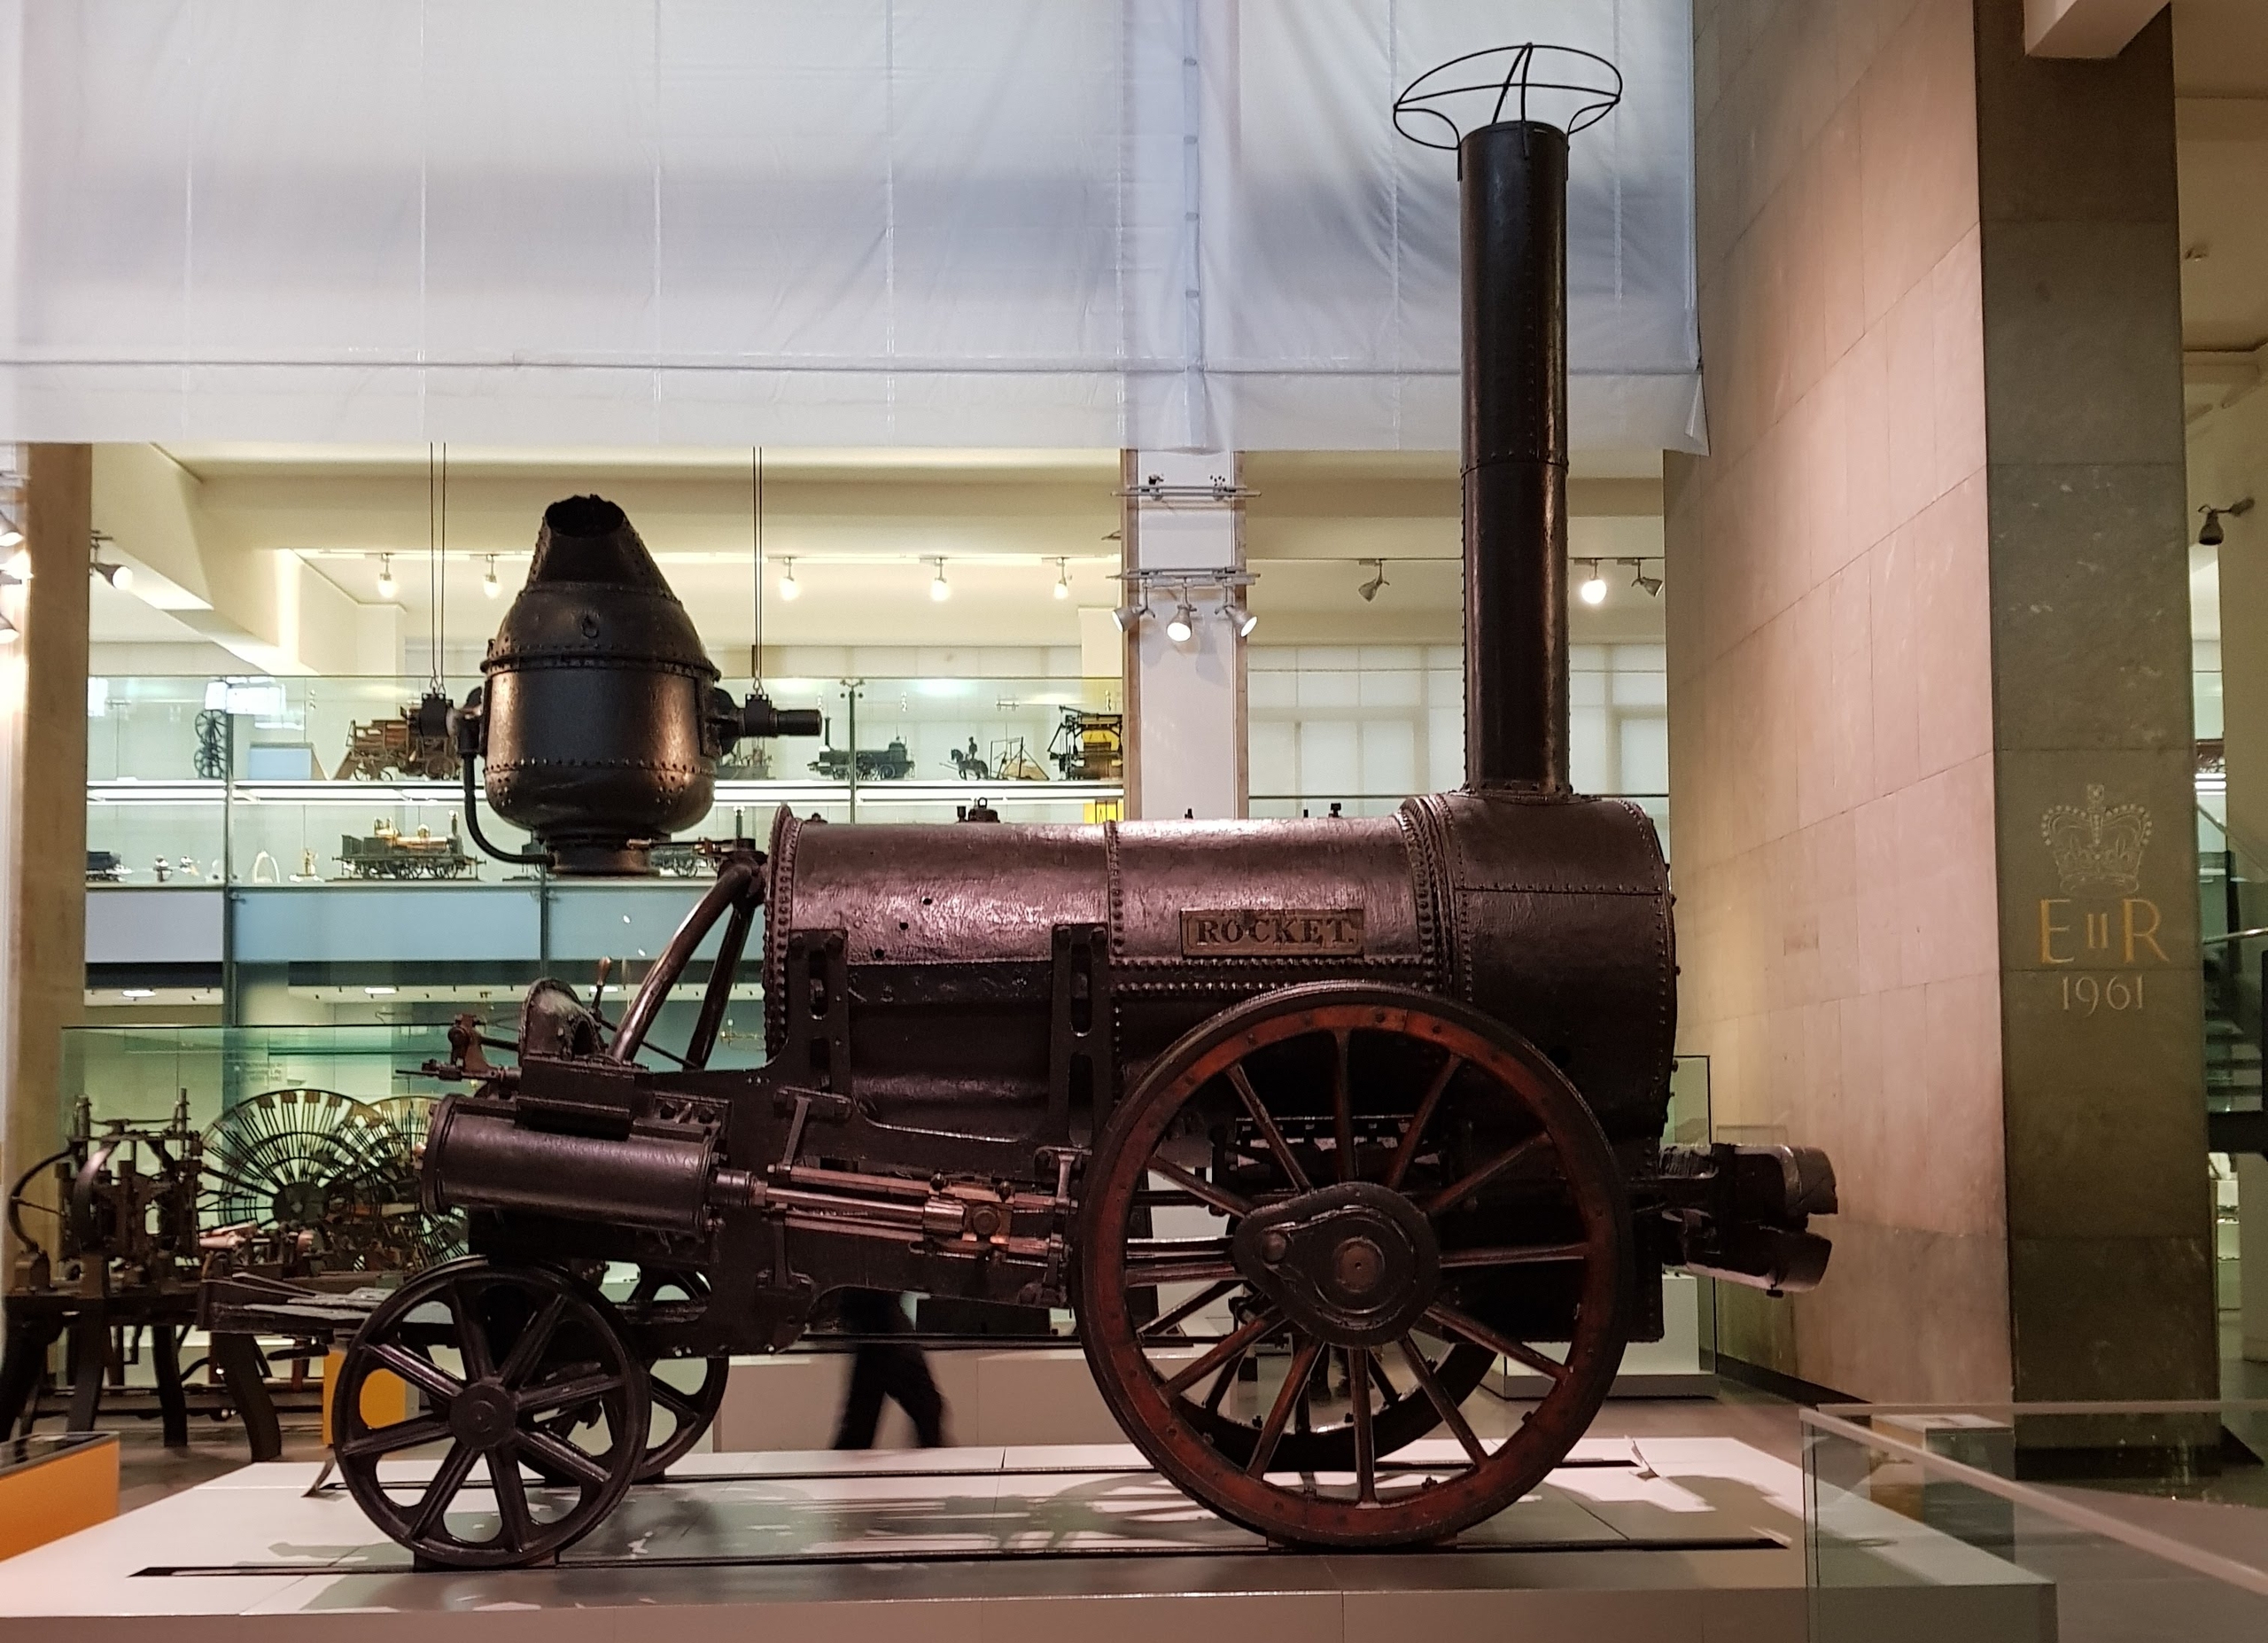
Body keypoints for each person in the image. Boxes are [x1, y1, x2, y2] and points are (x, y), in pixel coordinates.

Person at [831, 1288, 947, 1448]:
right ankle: (934, 1465)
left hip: (873, 1307)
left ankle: (934, 1464)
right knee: (926, 1404)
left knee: (862, 1417)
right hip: (876, 1309)